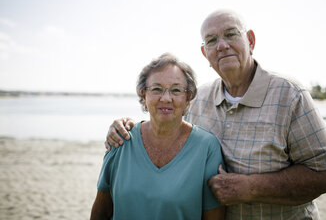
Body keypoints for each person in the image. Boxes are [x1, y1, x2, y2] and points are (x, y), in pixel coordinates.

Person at [105, 10, 326, 220]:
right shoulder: (199, 99)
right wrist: (125, 127)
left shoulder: (290, 95)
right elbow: (165, 123)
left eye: (230, 34)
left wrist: (251, 188)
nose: (221, 45)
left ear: (250, 40)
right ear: (204, 52)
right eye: (211, 40)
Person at [91, 54, 226, 220]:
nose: (166, 98)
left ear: (187, 97)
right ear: (143, 95)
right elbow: (101, 212)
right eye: (157, 89)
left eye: (176, 90)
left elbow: (214, 216)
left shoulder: (207, 147)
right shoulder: (121, 139)